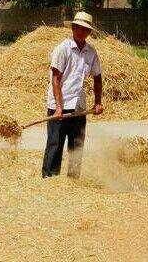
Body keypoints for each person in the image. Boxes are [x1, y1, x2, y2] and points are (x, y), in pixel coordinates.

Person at [42, 11, 104, 179]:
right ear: (73, 28)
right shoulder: (63, 49)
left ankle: (73, 181)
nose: (82, 31)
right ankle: (49, 179)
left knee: (76, 146)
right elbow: (56, 79)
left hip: (78, 106)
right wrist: (59, 107)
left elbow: (97, 77)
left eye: (86, 29)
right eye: (79, 27)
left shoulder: (91, 52)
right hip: (59, 105)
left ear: (89, 32)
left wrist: (98, 102)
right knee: (55, 144)